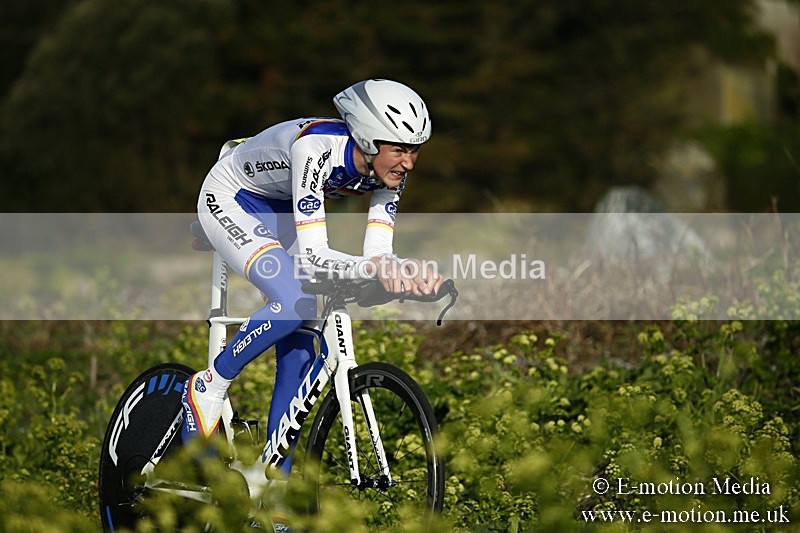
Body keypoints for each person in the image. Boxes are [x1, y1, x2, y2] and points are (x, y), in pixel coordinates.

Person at [182, 79, 444, 474]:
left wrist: (403, 273)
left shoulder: (390, 171)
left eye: (415, 150)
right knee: (294, 302)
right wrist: (373, 269)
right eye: (399, 149)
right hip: (233, 198)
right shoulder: (316, 149)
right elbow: (316, 256)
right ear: (368, 139)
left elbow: (378, 252)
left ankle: (273, 484)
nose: (408, 162)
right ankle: (209, 384)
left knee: (302, 345)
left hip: (283, 208)